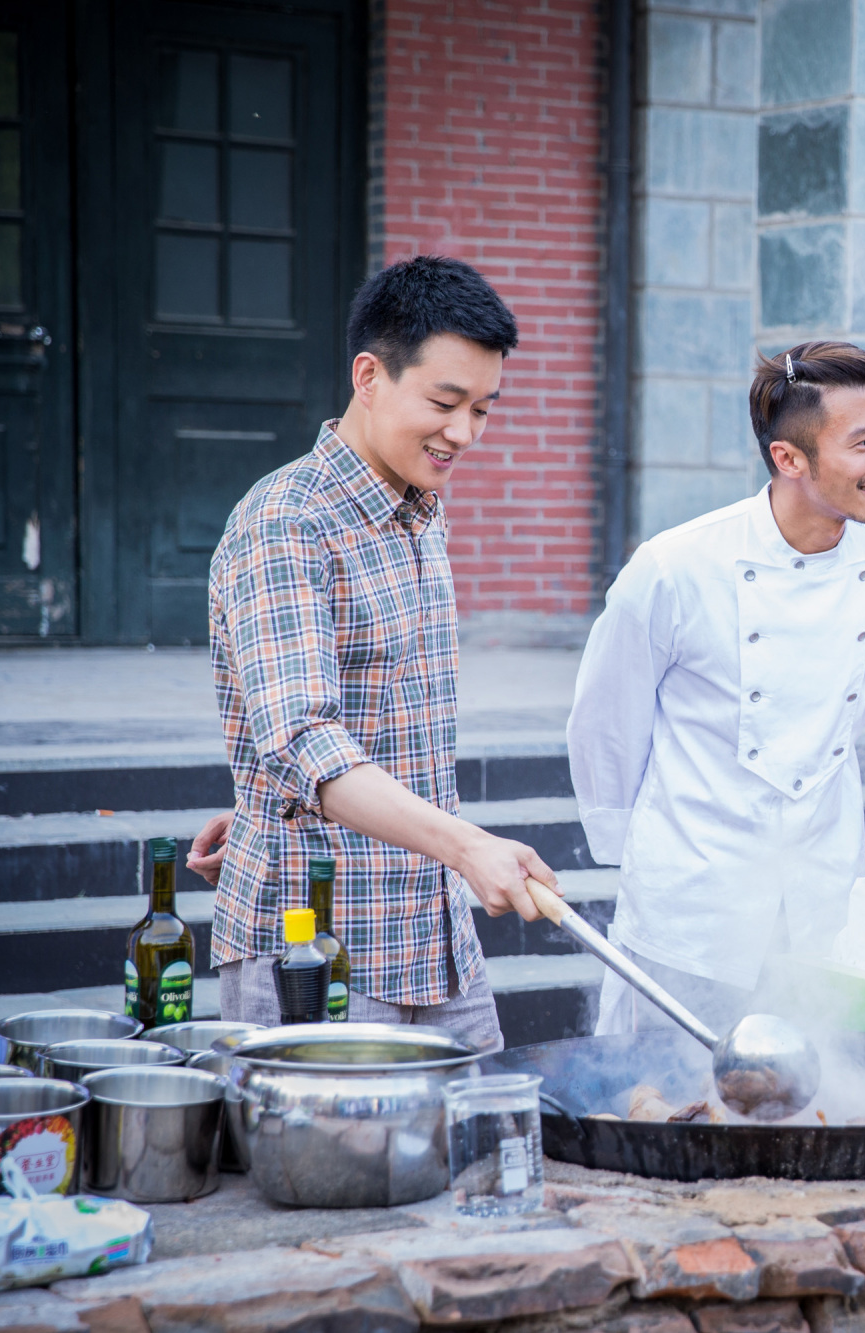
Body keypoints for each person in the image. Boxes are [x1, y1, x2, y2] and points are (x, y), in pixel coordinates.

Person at [186, 256, 557, 1053]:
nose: (463, 433)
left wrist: (262, 799)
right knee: (339, 1176)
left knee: (490, 1156)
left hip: (432, 936)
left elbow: (342, 729)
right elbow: (305, 741)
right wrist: (469, 845)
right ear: (369, 375)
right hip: (320, 951)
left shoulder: (419, 510)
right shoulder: (288, 522)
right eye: (445, 403)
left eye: (484, 410)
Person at [568, 341, 865, 1037]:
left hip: (818, 893)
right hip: (693, 901)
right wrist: (638, 852)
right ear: (790, 458)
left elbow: (854, 712)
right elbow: (606, 722)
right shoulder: (675, 566)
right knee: (668, 1106)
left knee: (809, 1105)